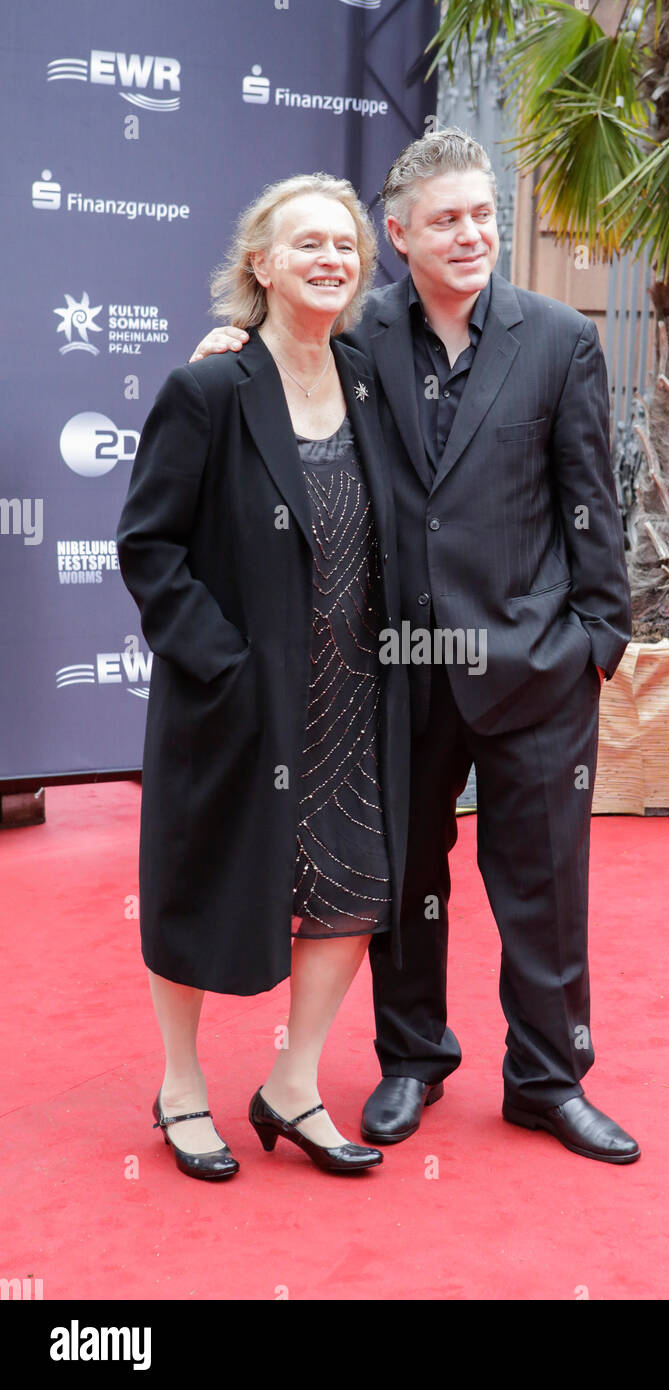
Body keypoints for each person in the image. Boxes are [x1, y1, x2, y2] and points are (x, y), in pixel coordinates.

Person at [192, 129, 640, 1164]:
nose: (471, 233)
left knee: (543, 882)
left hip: (534, 664)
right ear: (395, 235)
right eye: (445, 220)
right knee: (403, 877)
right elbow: (274, 374)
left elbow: (591, 508)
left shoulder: (557, 340)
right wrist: (227, 349)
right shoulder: (355, 334)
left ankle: (545, 1076)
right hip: (392, 667)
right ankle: (409, 1058)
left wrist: (595, 645)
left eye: (484, 214)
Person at [117, 174, 409, 1180]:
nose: (330, 258)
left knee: (354, 889)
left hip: (352, 692)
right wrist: (221, 664)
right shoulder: (208, 388)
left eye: (346, 245)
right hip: (237, 693)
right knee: (198, 881)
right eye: (307, 244)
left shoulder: (369, 375)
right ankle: (181, 1084)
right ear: (260, 262)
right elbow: (148, 545)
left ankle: (290, 1085)